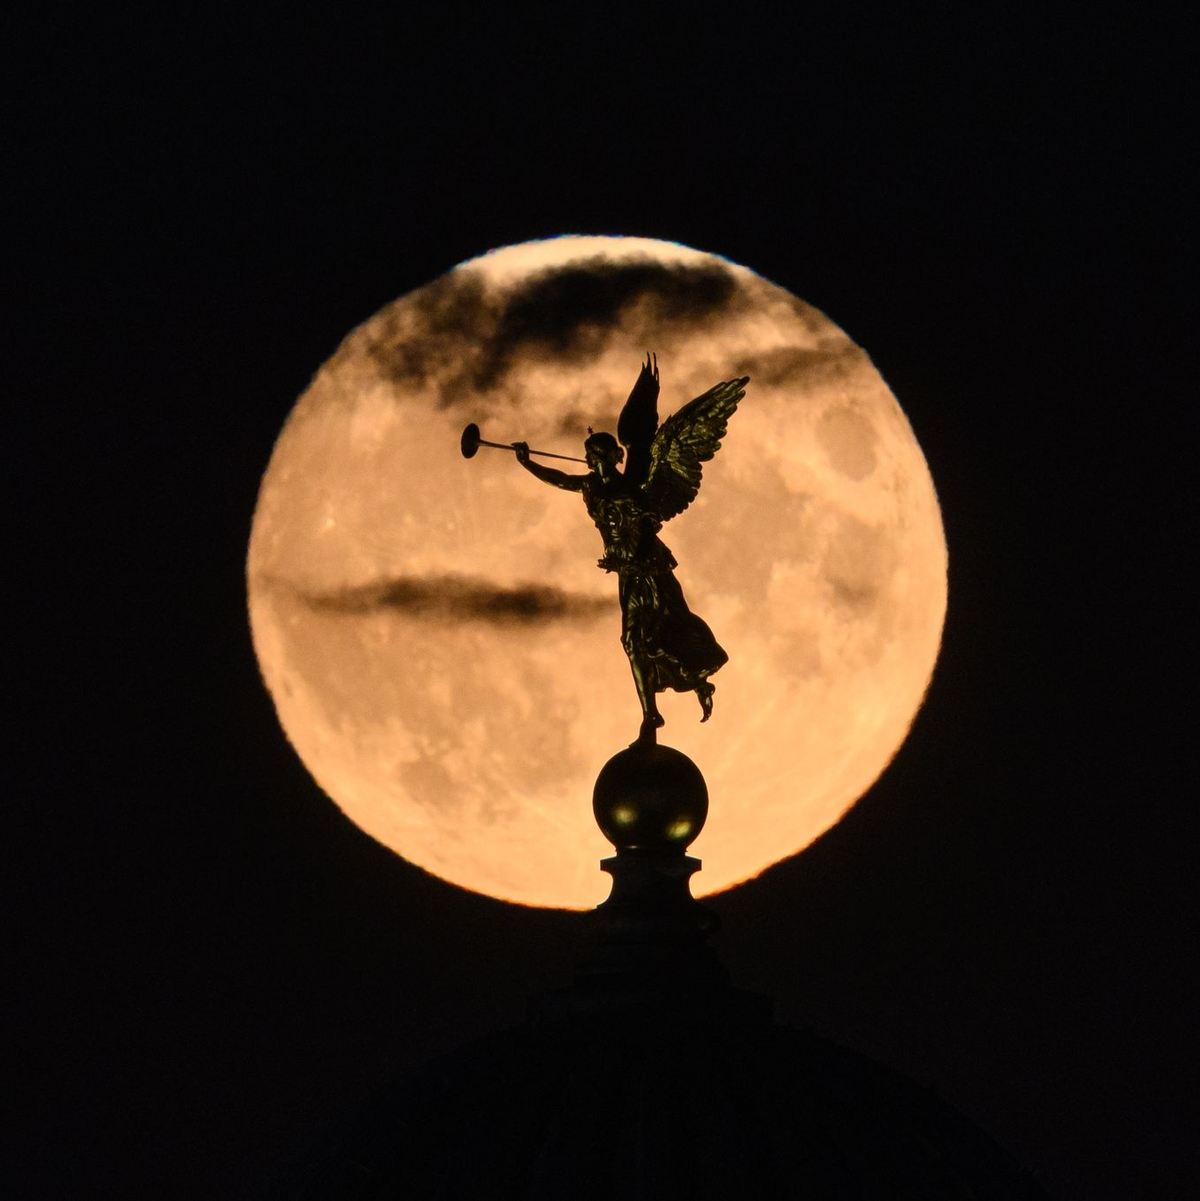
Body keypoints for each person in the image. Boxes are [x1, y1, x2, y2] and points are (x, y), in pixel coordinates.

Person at [513, 356, 748, 740]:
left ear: (612, 456)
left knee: (661, 631)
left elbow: (654, 453)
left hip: (651, 570)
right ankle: (654, 713)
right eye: (589, 455)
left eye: (596, 453)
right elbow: (560, 479)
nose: (590, 459)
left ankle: (684, 689)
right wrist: (528, 462)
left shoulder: (637, 486)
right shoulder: (591, 487)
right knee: (633, 641)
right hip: (626, 575)